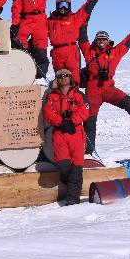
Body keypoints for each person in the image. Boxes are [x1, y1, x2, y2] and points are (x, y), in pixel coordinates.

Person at [79, 16, 130, 153]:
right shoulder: (89, 52)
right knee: (90, 121)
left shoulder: (116, 52)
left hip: (108, 87)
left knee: (129, 102)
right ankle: (88, 151)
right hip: (93, 89)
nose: (101, 41)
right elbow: (83, 39)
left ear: (108, 41)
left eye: (104, 39)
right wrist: (84, 22)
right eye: (99, 39)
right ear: (96, 41)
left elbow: (129, 41)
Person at [10, 0, 80, 78]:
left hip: (40, 20)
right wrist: (15, 24)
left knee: (41, 46)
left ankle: (39, 72)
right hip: (25, 20)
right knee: (18, 40)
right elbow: (15, 10)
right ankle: (23, 64)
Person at [47, 0, 111, 84]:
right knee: (59, 80)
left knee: (74, 79)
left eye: (66, 5)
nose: (63, 7)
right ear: (56, 6)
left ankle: (75, 98)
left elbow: (87, 7)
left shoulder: (75, 18)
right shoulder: (50, 21)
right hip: (56, 53)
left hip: (71, 52)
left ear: (69, 6)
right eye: (60, 5)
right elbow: (37, 30)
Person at [43, 69, 89, 205]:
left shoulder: (79, 95)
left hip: (76, 133)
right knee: (63, 165)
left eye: (67, 75)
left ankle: (72, 200)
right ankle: (66, 182)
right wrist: (61, 122)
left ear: (71, 78)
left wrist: (72, 121)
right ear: (57, 80)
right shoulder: (52, 96)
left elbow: (85, 111)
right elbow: (48, 112)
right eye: (61, 76)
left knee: (76, 168)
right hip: (60, 133)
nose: (64, 78)